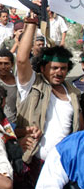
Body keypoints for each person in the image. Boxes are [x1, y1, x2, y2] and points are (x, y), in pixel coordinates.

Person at [15, 13, 84, 186]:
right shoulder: (32, 86)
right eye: (53, 68)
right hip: (32, 163)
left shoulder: (73, 94)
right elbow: (22, 59)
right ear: (43, 68)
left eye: (63, 68)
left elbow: (79, 130)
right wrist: (31, 22)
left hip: (63, 168)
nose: (58, 72)